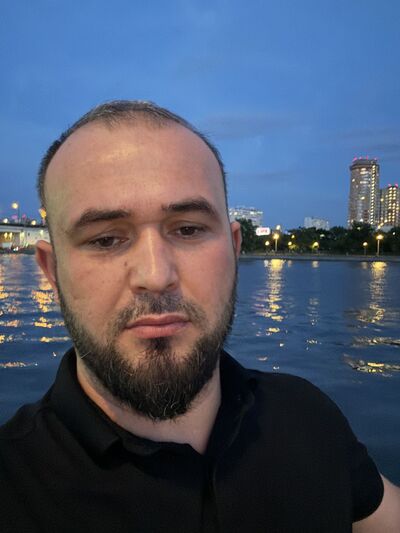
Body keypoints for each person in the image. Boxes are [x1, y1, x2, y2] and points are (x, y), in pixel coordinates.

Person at [0, 101, 399, 532]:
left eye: (188, 229)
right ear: (52, 270)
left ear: (234, 248)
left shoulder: (308, 418)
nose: (156, 276)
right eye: (106, 239)